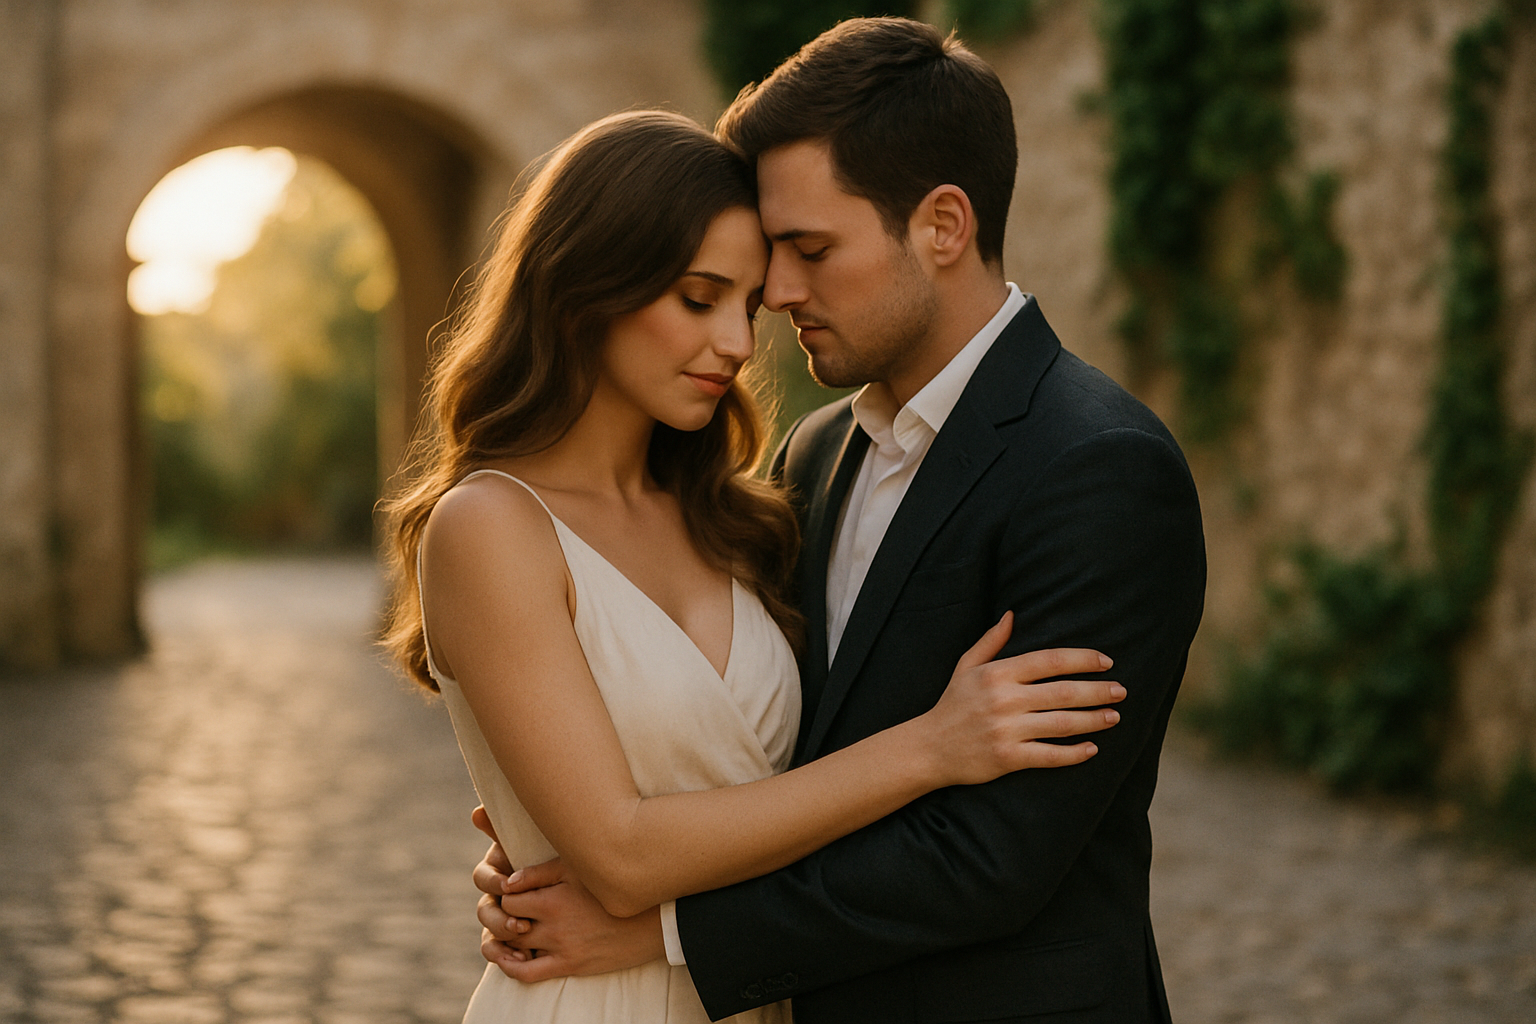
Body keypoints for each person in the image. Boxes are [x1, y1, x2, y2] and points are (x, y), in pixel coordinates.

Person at [471, 17, 1207, 1024]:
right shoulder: (812, 457)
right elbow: (758, 750)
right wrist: (562, 823)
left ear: (943, 226)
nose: (774, 295)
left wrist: (664, 929)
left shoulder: (1100, 467)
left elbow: (993, 858)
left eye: (808, 249)